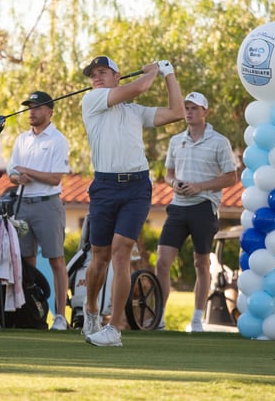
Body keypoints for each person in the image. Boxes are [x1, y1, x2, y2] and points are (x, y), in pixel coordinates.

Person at [80, 56, 184, 347]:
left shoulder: (135, 113)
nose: (96, 77)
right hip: (104, 186)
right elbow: (137, 89)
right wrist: (151, 72)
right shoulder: (92, 100)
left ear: (117, 76)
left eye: (103, 72)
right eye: (92, 74)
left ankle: (114, 329)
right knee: (99, 257)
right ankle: (91, 310)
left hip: (137, 186)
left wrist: (168, 74)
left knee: (122, 251)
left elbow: (177, 112)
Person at [155, 91, 238, 333]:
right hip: (178, 207)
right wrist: (174, 184)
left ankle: (197, 319)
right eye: (187, 107)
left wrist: (199, 186)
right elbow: (168, 174)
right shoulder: (175, 141)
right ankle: (159, 316)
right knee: (162, 262)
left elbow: (231, 177)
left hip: (204, 207)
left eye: (194, 108)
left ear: (205, 112)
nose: (189, 112)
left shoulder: (219, 141)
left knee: (201, 263)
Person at [7, 90, 71, 331]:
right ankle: (32, 314)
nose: (31, 111)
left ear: (49, 111)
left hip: (48, 204)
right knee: (26, 262)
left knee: (56, 260)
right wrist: (17, 177)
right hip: (23, 203)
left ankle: (60, 316)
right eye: (29, 107)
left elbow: (55, 178)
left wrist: (27, 171)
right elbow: (12, 173)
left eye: (36, 107)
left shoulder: (57, 140)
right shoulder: (22, 139)